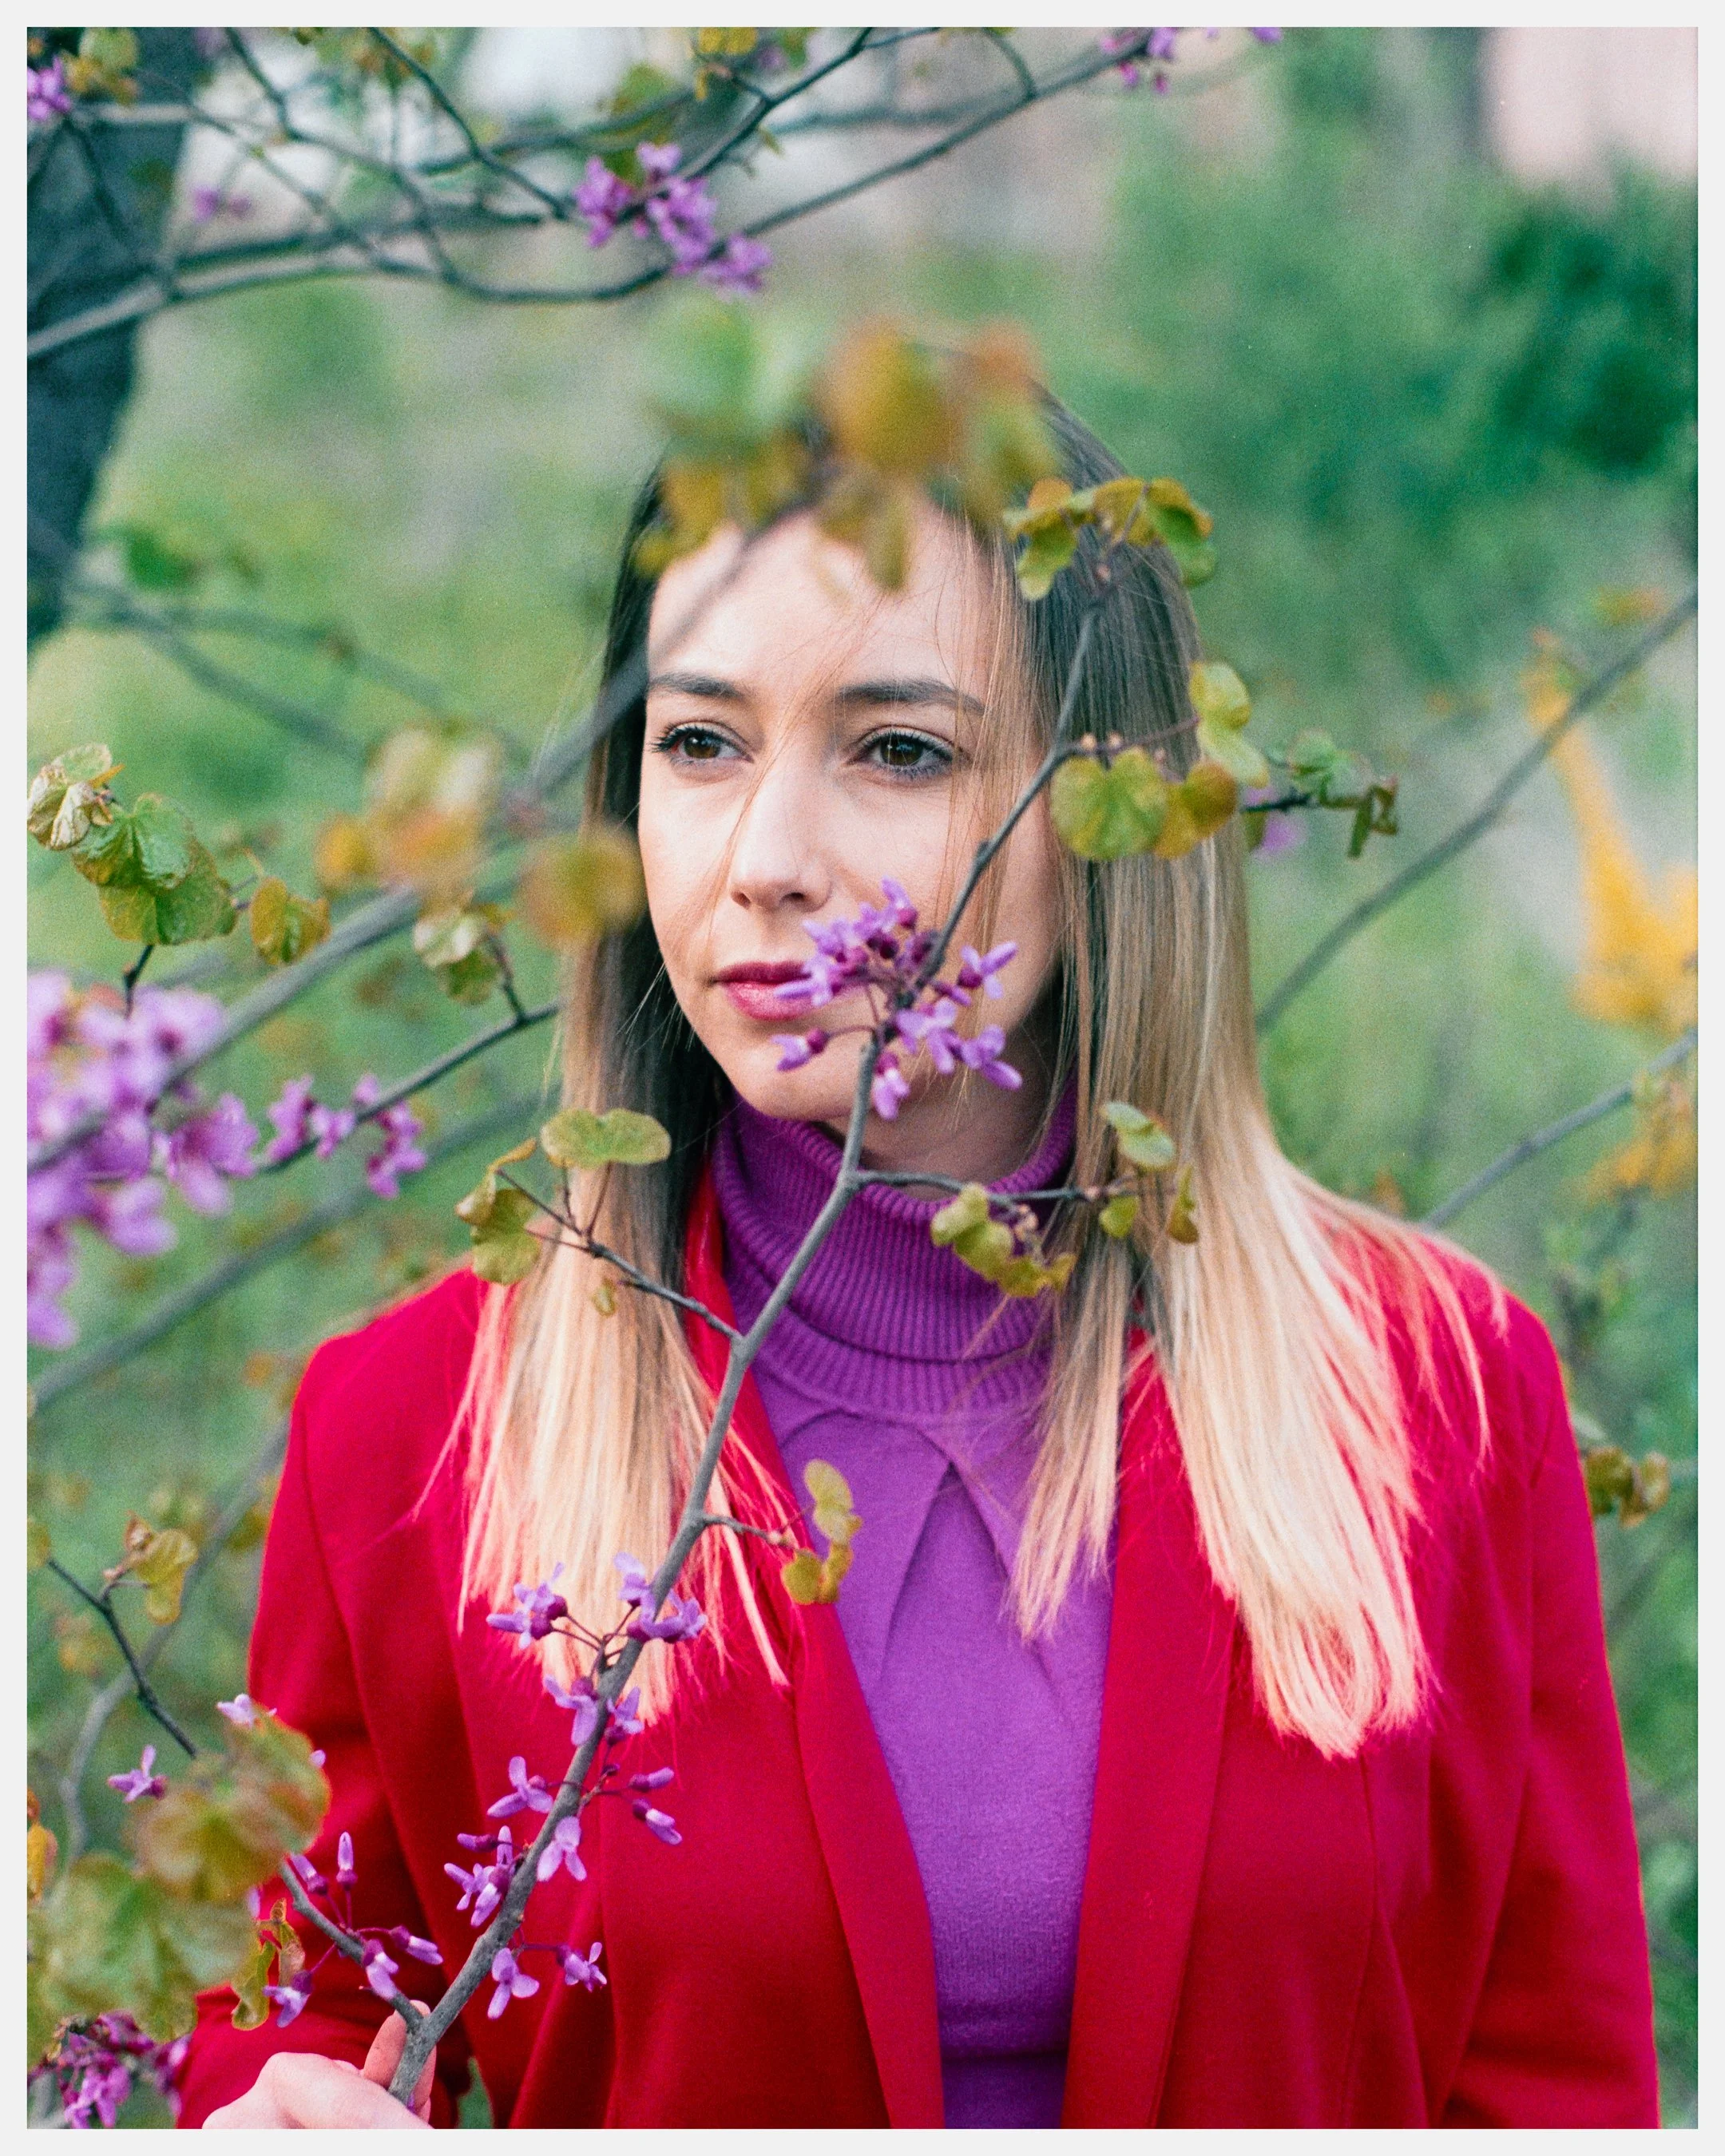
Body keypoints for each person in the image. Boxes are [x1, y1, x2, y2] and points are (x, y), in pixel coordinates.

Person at [180, 400, 1658, 2129]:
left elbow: (1554, 2087)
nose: (766, 864)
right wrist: (275, 2108)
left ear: (1094, 817)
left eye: (898, 751)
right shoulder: (414, 1438)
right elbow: (302, 2018)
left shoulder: (1436, 1393)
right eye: (701, 744)